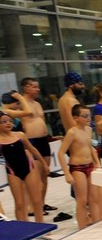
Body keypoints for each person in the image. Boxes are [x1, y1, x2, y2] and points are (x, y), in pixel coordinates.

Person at [57, 105, 102, 230]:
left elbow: (90, 148)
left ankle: (96, 224)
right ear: (75, 118)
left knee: (93, 198)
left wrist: (97, 163)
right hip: (77, 168)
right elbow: (61, 153)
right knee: (82, 200)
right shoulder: (72, 132)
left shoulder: (88, 130)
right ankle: (82, 227)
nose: (88, 118)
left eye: (89, 115)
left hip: (90, 166)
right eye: (84, 116)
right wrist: (67, 173)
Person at [18, 78, 57, 212]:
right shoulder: (21, 104)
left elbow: (42, 121)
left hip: (43, 140)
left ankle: (41, 203)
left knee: (44, 174)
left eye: (38, 87)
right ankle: (32, 207)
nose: (38, 89)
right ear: (26, 88)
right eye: (34, 87)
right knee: (34, 177)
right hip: (32, 141)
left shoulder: (37, 104)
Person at [0, 111, 47, 222]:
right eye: (4, 122)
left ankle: (41, 225)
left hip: (29, 169)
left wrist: (43, 163)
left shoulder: (20, 135)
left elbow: (33, 149)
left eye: (10, 121)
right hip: (12, 172)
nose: (8, 123)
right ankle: (24, 228)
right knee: (20, 203)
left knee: (36, 200)